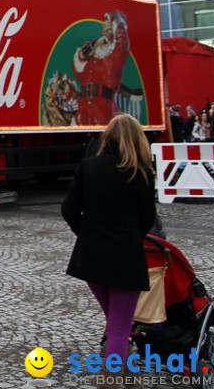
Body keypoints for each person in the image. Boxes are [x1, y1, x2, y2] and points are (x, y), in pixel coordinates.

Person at [61, 113, 157, 370]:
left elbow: (69, 209)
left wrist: (87, 233)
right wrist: (130, 237)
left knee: (114, 321)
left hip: (92, 258)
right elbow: (148, 219)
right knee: (119, 327)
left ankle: (122, 367)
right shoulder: (142, 173)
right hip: (126, 257)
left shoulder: (89, 167)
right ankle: (113, 379)